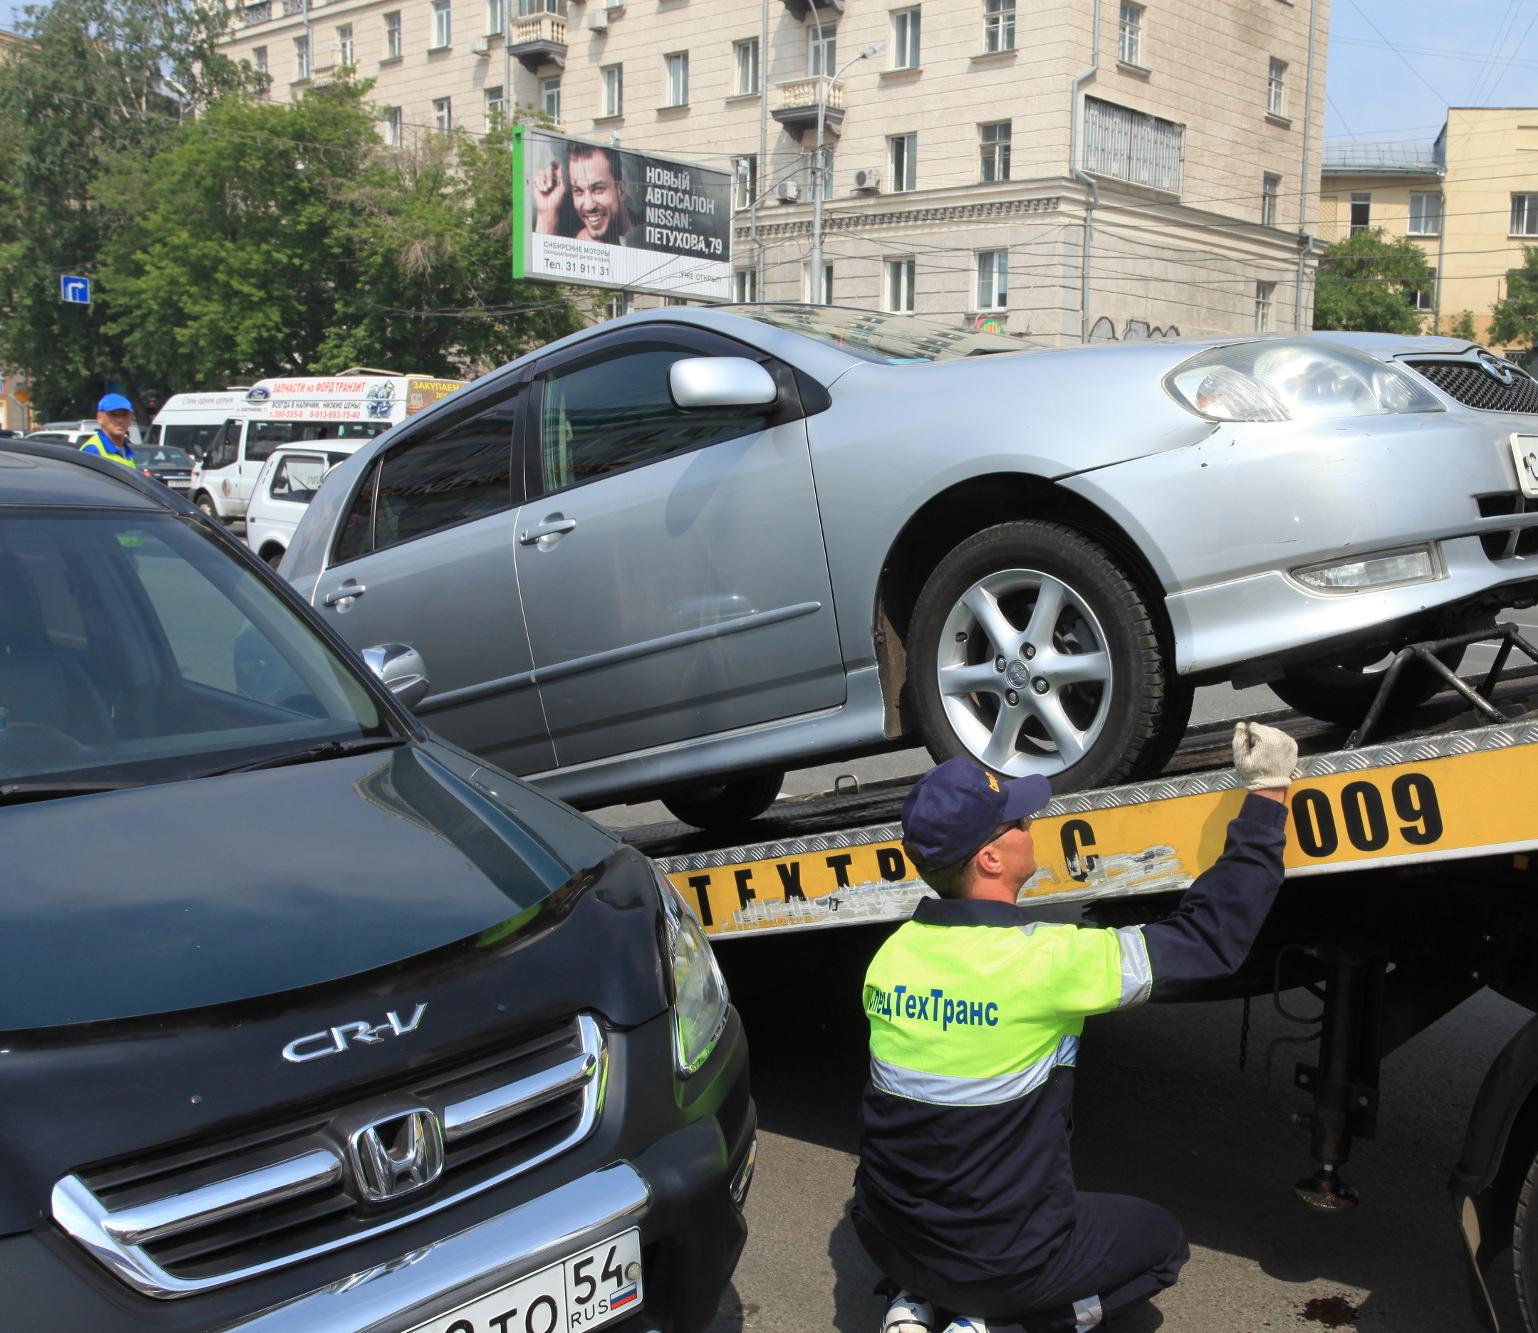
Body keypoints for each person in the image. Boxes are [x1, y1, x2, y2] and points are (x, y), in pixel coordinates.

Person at [854, 722, 1298, 1333]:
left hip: (889, 1237)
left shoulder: (892, 957)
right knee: (1162, 1247)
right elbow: (1206, 940)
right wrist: (1269, 792)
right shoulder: (1049, 962)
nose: (1030, 825)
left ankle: (912, 1301)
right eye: (1017, 822)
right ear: (989, 857)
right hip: (1004, 1261)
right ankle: (995, 1326)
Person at [532, 143, 638, 245]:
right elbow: (540, 262)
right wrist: (546, 212)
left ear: (621, 190)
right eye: (578, 191)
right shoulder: (580, 239)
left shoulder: (647, 234)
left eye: (598, 189)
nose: (588, 206)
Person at [79, 393, 138, 468]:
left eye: (124, 415)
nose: (120, 420)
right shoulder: (92, 450)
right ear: (99, 417)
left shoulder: (127, 451)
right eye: (114, 414)